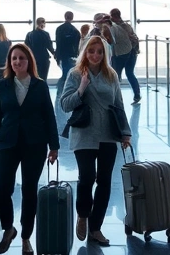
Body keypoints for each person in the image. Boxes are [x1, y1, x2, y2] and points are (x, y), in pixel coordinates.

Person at [0, 43, 60, 254]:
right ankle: (9, 228)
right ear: (10, 61)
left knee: (29, 191)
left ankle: (26, 237)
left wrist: (54, 146)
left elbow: (49, 117)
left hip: (34, 144)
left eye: (22, 58)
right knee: (1, 190)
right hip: (7, 142)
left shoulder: (40, 85)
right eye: (14, 58)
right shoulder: (2, 85)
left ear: (29, 62)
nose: (17, 62)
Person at [60, 35, 131, 246]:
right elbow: (65, 104)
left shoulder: (112, 75)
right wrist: (81, 87)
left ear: (105, 54)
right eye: (92, 51)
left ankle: (96, 227)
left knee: (105, 181)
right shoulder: (75, 74)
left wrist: (125, 132)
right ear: (85, 52)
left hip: (108, 135)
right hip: (84, 134)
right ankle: (83, 214)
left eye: (100, 52)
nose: (96, 55)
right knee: (87, 177)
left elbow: (119, 104)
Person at [109, 8, 142, 105]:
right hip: (132, 53)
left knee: (116, 75)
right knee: (130, 73)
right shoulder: (127, 26)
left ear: (113, 16)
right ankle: (137, 94)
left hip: (120, 54)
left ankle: (115, 97)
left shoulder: (115, 27)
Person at [54, 12, 81, 92]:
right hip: (71, 54)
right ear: (72, 18)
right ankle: (67, 89)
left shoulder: (59, 29)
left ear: (65, 17)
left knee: (65, 72)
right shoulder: (75, 31)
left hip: (62, 54)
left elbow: (58, 43)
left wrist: (57, 55)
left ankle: (62, 89)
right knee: (69, 73)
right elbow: (76, 46)